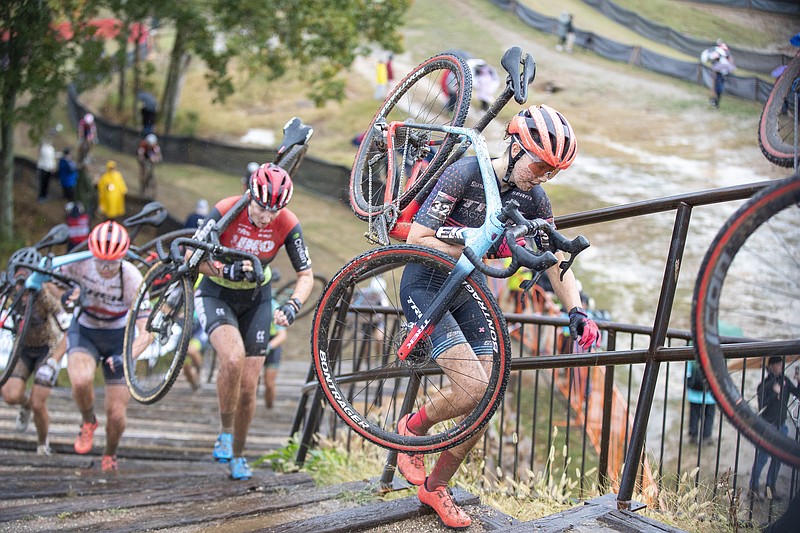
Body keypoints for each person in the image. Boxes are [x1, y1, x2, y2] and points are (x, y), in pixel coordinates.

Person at [396, 104, 600, 528]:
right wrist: (480, 241)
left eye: (555, 170)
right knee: (472, 387)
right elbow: (418, 238)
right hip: (427, 283)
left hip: (470, 291)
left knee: (487, 399)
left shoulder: (535, 197)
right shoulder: (466, 173)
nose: (546, 176)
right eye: (542, 164)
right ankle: (411, 431)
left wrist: (577, 310)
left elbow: (555, 262)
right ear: (514, 146)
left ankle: (435, 487)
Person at [194, 163, 314, 480]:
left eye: (274, 211)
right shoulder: (225, 210)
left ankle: (239, 453)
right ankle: (224, 430)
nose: (266, 217)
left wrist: (292, 304)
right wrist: (222, 269)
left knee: (249, 386)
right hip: (216, 294)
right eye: (261, 208)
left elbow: (306, 275)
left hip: (256, 299)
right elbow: (191, 258)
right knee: (232, 358)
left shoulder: (287, 223)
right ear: (250, 196)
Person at [60, 220, 150, 473]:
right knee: (79, 380)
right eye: (101, 262)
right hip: (86, 329)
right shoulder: (78, 262)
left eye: (112, 263)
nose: (106, 269)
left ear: (122, 258)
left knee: (117, 415)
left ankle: (110, 452)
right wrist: (65, 297)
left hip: (118, 337)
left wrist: (127, 355)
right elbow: (51, 285)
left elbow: (147, 332)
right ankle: (88, 421)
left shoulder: (132, 277)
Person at [1, 247, 67, 456]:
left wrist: (53, 362)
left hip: (46, 349)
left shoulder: (45, 297)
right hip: (23, 347)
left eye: (25, 284)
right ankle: (25, 406)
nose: (22, 291)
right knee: (10, 395)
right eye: (18, 284)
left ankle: (42, 444)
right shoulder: (10, 292)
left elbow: (69, 332)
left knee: (39, 403)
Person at [748, 356, 800, 500]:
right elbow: (762, 405)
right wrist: (774, 394)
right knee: (762, 459)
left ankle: (770, 489)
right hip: (768, 426)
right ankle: (753, 489)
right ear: (770, 366)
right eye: (776, 364)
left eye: (781, 364)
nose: (780, 366)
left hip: (781, 426)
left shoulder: (785, 381)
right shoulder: (764, 385)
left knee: (778, 459)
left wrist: (799, 381)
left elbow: (798, 394)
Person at [262, 297, 288, 410]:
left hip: (272, 344)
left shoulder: (273, 306)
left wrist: (269, 346)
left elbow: (282, 335)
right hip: (257, 341)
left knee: (269, 383)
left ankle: (269, 407)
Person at [686, 359, 716, 444]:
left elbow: (687, 373)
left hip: (694, 394)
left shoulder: (692, 352)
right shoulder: (714, 354)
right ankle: (707, 436)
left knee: (694, 415)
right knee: (709, 416)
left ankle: (693, 436)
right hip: (710, 395)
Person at [701, 40, 736, 108]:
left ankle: (715, 101)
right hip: (718, 73)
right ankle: (714, 100)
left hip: (721, 73)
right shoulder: (718, 52)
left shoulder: (723, 54)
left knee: (718, 88)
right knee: (715, 87)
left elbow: (729, 62)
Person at [137, 133, 162, 197]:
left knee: (151, 172)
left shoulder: (155, 147)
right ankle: (142, 185)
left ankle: (150, 183)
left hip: (151, 160)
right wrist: (142, 160)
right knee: (143, 172)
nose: (150, 146)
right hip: (144, 159)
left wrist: (157, 159)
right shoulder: (143, 145)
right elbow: (140, 155)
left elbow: (159, 156)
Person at [37, 131, 57, 203]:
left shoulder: (51, 148)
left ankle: (45, 195)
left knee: (47, 183)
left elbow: (52, 159)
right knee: (43, 183)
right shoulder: (44, 148)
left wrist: (53, 167)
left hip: (49, 168)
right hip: (43, 168)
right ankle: (41, 196)